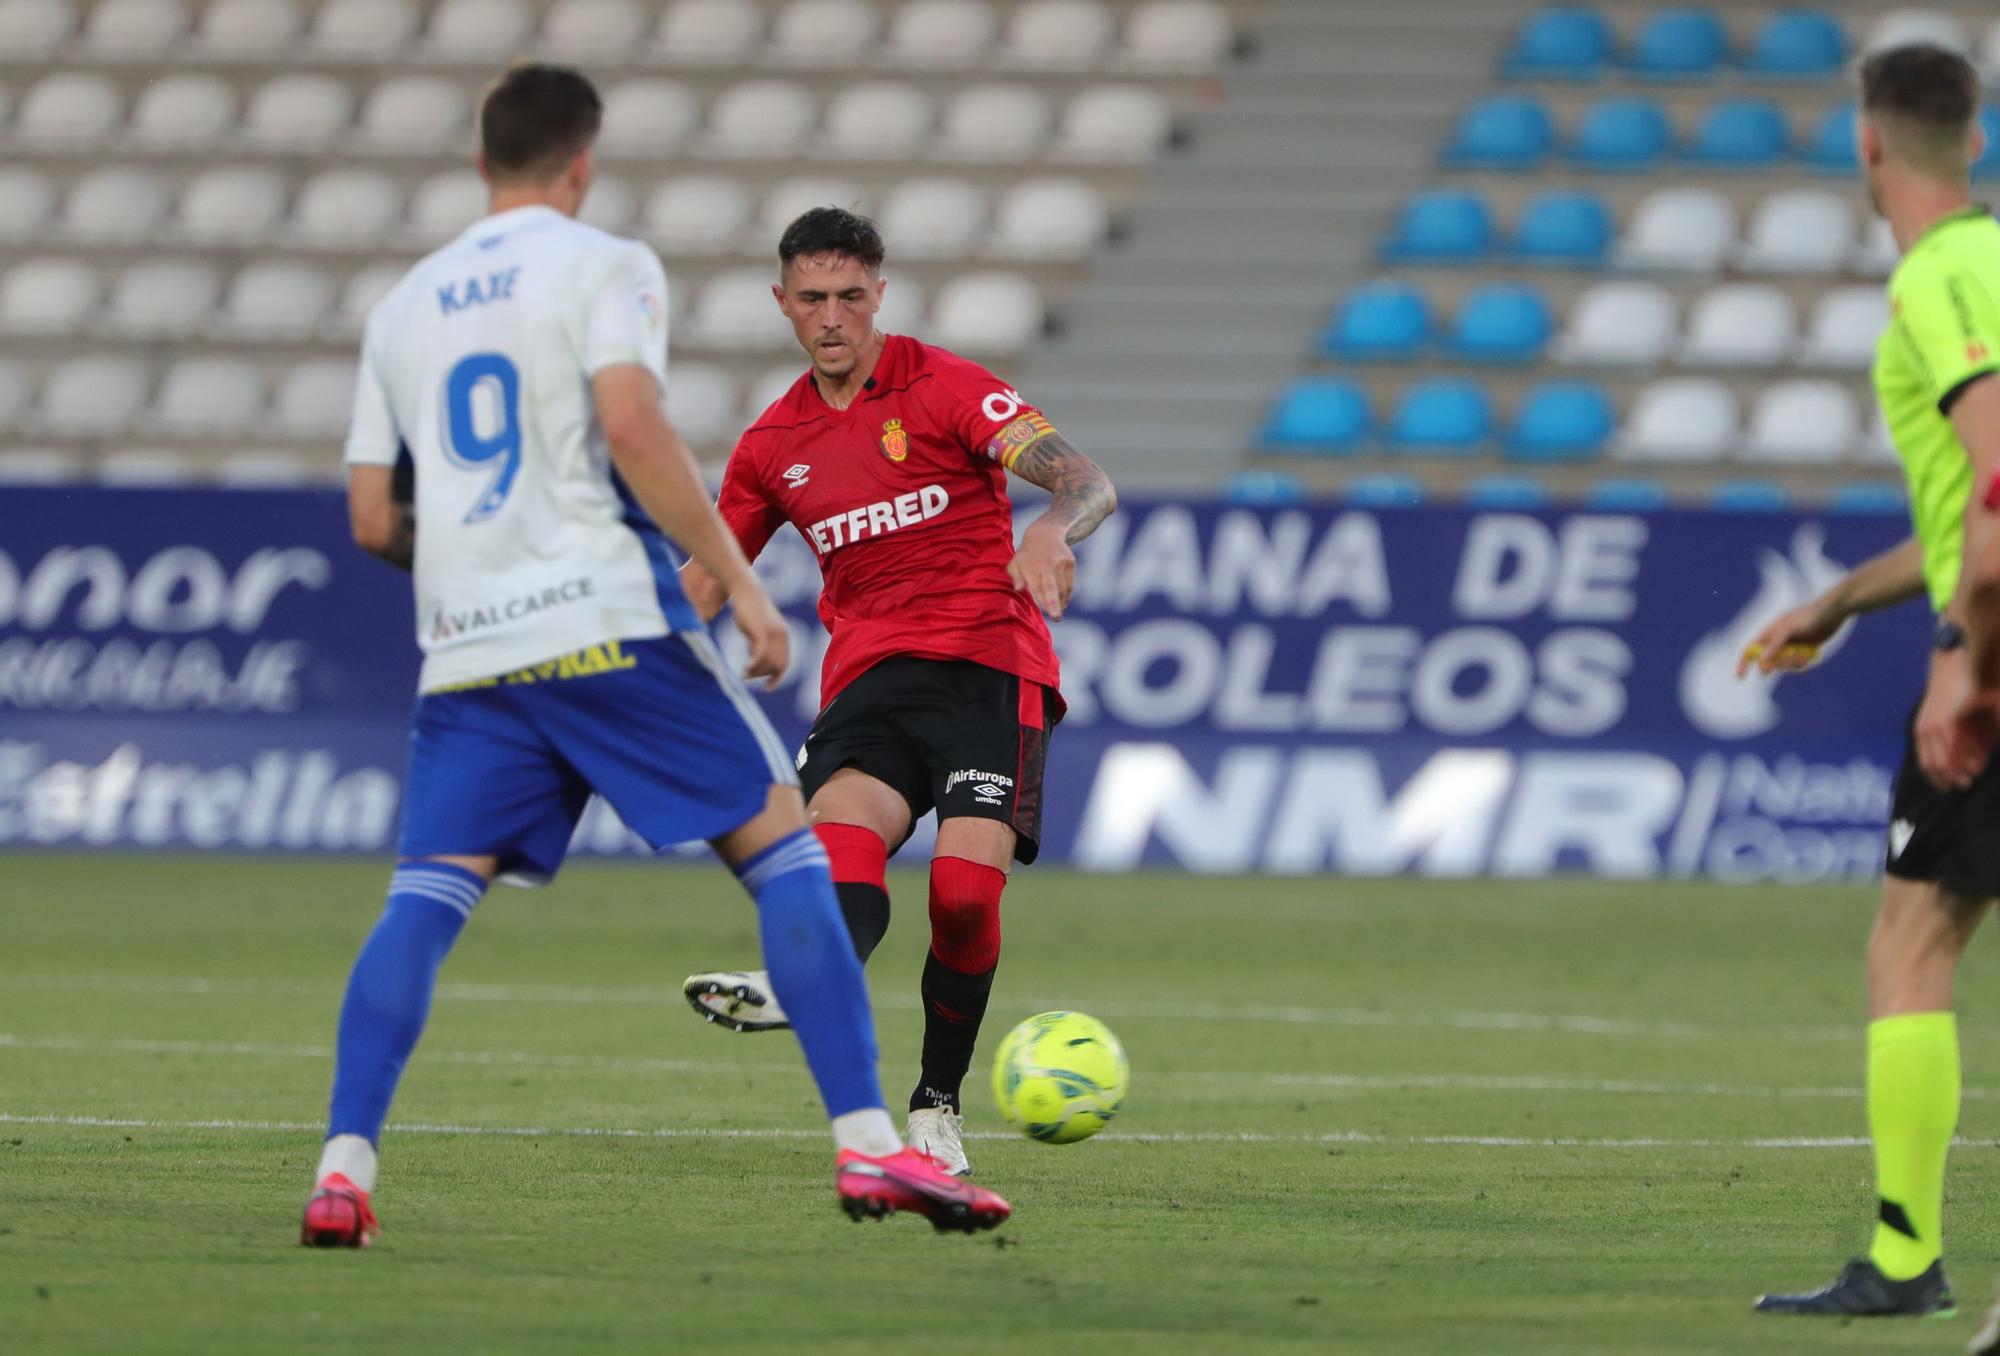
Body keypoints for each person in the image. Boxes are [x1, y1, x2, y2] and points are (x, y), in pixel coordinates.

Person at [300, 63, 1008, 1247]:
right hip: (603, 626)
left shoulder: (403, 308)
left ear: (482, 162)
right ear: (579, 164)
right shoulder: (605, 266)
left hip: (469, 647)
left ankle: (342, 1173)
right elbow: (630, 428)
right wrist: (737, 586)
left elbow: (374, 521)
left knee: (424, 898)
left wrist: (488, 572)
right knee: (788, 858)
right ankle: (874, 1152)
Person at [677, 207, 1117, 1177]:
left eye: (848, 296)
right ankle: (805, 977)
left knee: (960, 895)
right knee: (842, 849)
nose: (831, 317)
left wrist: (1049, 530)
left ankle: (934, 1105)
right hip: (870, 682)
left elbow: (1084, 481)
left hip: (989, 667)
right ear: (781, 304)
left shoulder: (943, 386)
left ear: (878, 294)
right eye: (810, 299)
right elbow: (705, 580)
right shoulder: (770, 446)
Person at [1741, 43, 2000, 1319]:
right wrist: (1840, 599)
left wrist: (1961, 662)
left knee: (1910, 943)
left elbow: (1999, 475)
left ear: (1865, 144)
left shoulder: (1942, 274)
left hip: (1997, 657)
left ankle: (1905, 1260)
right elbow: (1968, 505)